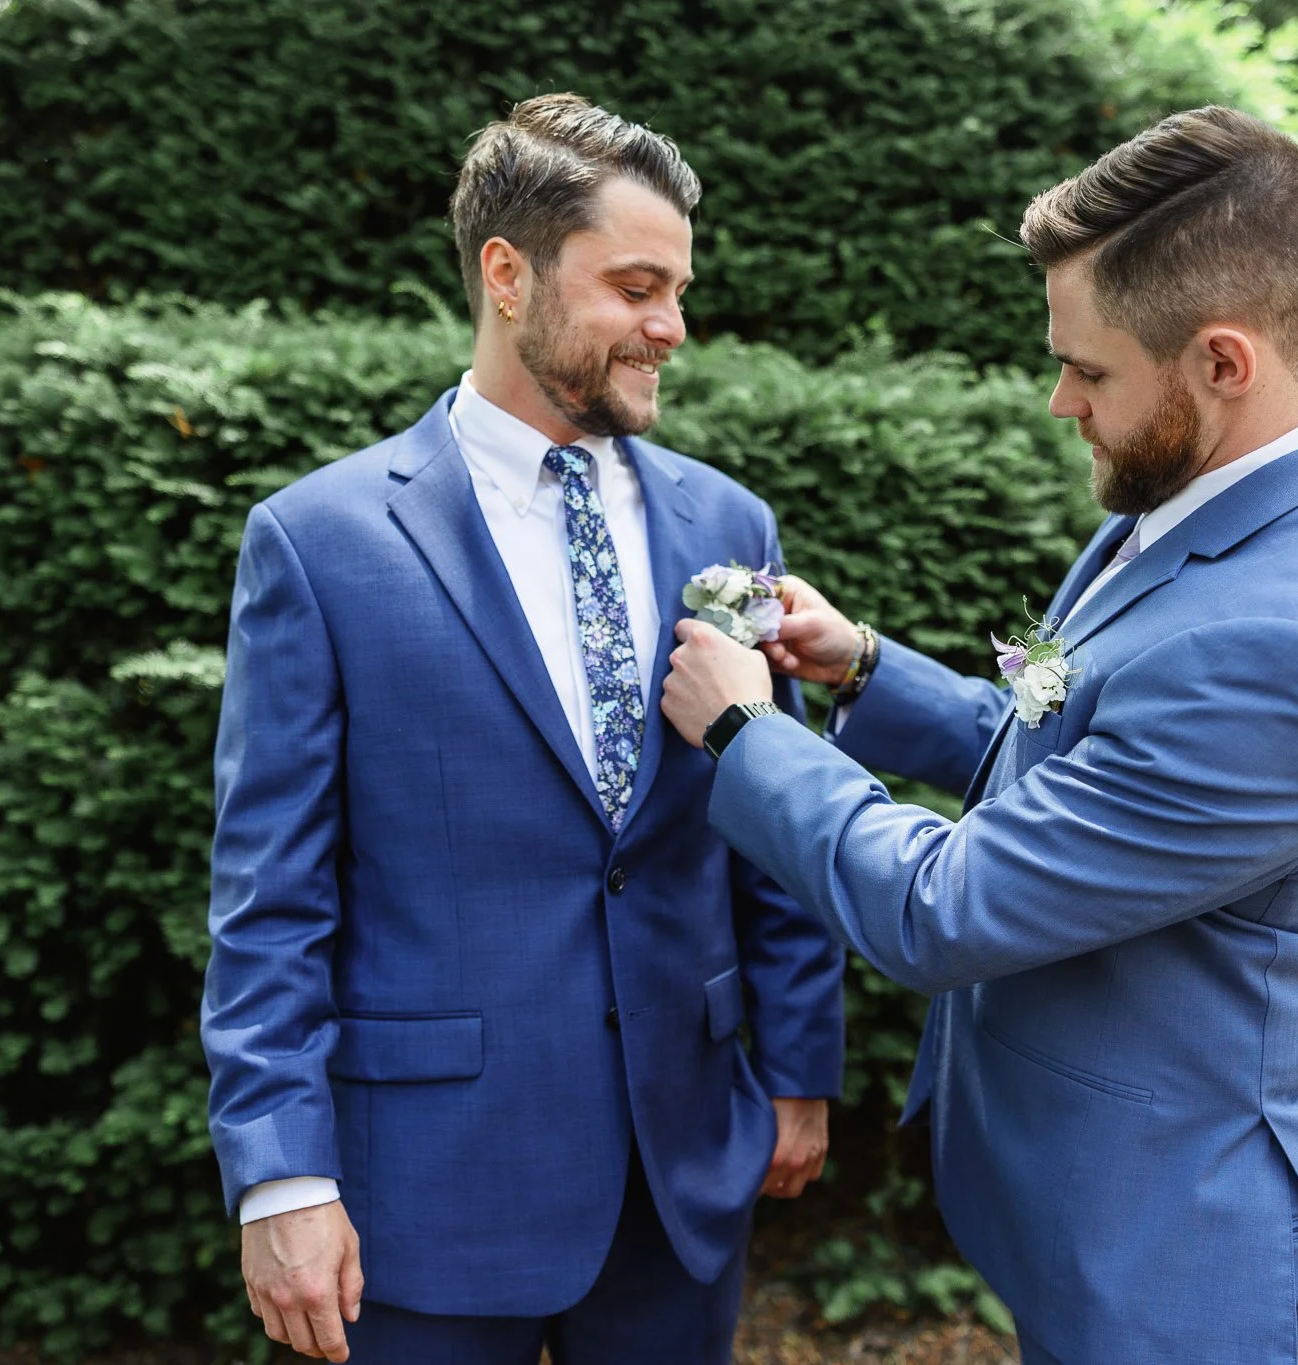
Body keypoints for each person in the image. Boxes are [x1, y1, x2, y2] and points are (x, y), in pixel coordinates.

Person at [661, 105, 1298, 1365]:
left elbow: (944, 909)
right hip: (1087, 1210)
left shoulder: (1292, 652)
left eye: (1090, 369)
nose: (1059, 400)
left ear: (1221, 362)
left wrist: (745, 732)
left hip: (1175, 1262)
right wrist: (865, 671)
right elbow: (1063, 744)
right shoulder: (1182, 507)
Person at [202, 93, 844, 1365]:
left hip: (682, 1171)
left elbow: (774, 819)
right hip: (424, 1194)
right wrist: (280, 1177)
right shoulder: (320, 542)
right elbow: (268, 896)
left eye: (678, 289)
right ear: (508, 274)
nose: (671, 326)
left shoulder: (729, 524)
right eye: (636, 286)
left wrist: (797, 1063)